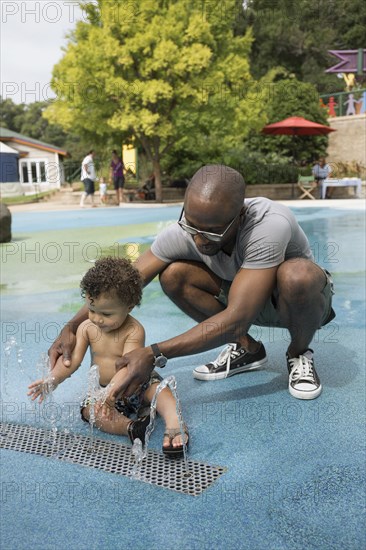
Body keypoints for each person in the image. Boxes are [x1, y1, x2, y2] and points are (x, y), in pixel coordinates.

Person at [49, 164, 335, 406]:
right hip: (240, 301)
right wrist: (71, 326)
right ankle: (247, 350)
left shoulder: (269, 225)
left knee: (297, 276)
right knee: (173, 275)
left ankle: (298, 353)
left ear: (240, 216)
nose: (198, 240)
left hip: (295, 304)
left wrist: (154, 353)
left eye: (211, 232)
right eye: (192, 226)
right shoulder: (185, 230)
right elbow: (123, 284)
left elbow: (236, 319)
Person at [30, 257, 188, 457]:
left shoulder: (133, 330)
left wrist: (110, 394)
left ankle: (174, 420)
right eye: (92, 310)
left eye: (106, 313)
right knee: (91, 412)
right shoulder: (87, 328)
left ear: (129, 307)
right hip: (102, 389)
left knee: (159, 390)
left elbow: (127, 368)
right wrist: (53, 379)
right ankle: (132, 427)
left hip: (134, 382)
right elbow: (72, 361)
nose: (96, 318)